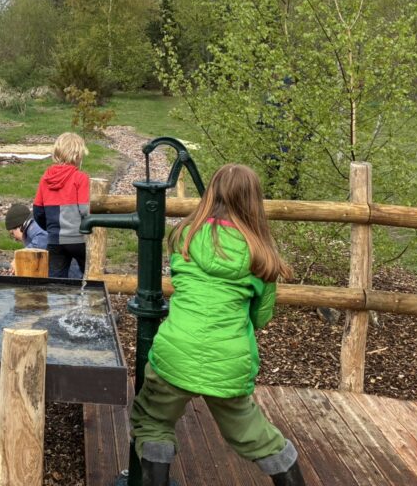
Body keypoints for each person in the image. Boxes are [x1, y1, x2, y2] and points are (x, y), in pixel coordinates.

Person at [129, 163, 303, 486]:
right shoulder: (261, 255)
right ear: (253, 203)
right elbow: (260, 317)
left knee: (152, 419)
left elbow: (182, 284)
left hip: (175, 354)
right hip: (228, 364)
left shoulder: (185, 238)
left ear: (210, 194)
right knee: (257, 436)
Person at [33, 132, 90, 279]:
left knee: (55, 283)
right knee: (91, 275)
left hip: (55, 240)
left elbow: (38, 212)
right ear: (78, 155)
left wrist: (51, 229)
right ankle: (90, 301)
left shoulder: (45, 179)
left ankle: (58, 302)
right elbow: (85, 211)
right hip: (78, 238)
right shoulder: (80, 178)